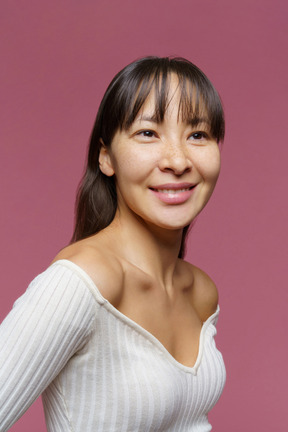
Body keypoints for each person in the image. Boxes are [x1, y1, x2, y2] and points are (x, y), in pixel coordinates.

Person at [0, 56, 226, 431]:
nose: (177, 160)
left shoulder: (200, 292)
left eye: (198, 134)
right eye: (148, 133)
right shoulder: (81, 282)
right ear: (106, 157)